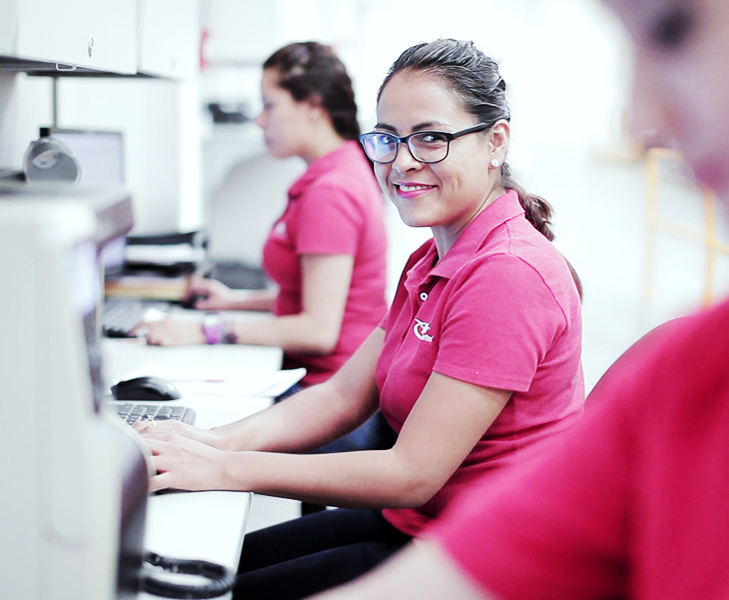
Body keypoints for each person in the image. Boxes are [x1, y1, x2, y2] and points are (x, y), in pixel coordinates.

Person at [308, 0, 729, 599]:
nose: (643, 118)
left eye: (674, 31)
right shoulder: (710, 364)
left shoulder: (510, 272)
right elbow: (479, 561)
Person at [136, 38, 585, 600]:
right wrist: (210, 443)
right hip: (422, 523)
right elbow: (345, 395)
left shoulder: (508, 274)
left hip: (490, 556)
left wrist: (224, 468)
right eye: (388, 139)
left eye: (430, 138)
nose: (401, 162)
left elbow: (411, 474)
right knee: (218, 568)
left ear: (495, 141)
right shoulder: (435, 256)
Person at [144, 42, 388, 391]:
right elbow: (313, 296)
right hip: (330, 383)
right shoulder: (338, 172)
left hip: (328, 392)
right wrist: (234, 303)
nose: (260, 120)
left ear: (313, 106)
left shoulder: (331, 191)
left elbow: (317, 330)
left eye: (269, 105)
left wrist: (206, 329)